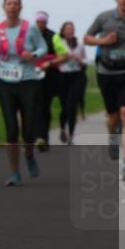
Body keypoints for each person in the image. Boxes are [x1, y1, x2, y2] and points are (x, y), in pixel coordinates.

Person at [0, 0, 47, 186]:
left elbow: (43, 48)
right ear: (3, 7)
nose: (12, 7)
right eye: (9, 4)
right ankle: (14, 173)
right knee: (11, 129)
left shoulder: (31, 29)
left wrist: (33, 54)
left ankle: (29, 154)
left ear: (21, 7)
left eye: (15, 4)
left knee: (28, 129)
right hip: (5, 82)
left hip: (28, 81)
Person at [84, 0, 125, 183]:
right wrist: (104, 41)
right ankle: (112, 138)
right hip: (107, 72)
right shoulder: (104, 18)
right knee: (113, 116)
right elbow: (87, 39)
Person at [33, 11, 68, 151]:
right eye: (38, 21)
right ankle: (38, 137)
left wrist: (50, 63)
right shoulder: (29, 36)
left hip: (51, 76)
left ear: (46, 23)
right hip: (33, 75)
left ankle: (43, 137)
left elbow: (64, 55)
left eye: (43, 22)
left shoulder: (54, 36)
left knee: (45, 106)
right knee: (37, 107)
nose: (41, 24)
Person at [57, 21, 88, 144]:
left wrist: (80, 60)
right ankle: (62, 129)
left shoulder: (79, 45)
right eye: (68, 29)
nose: (70, 31)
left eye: (72, 28)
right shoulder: (59, 44)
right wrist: (64, 58)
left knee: (72, 105)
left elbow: (86, 60)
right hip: (63, 76)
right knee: (64, 106)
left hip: (77, 76)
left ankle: (71, 135)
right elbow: (55, 60)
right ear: (63, 31)